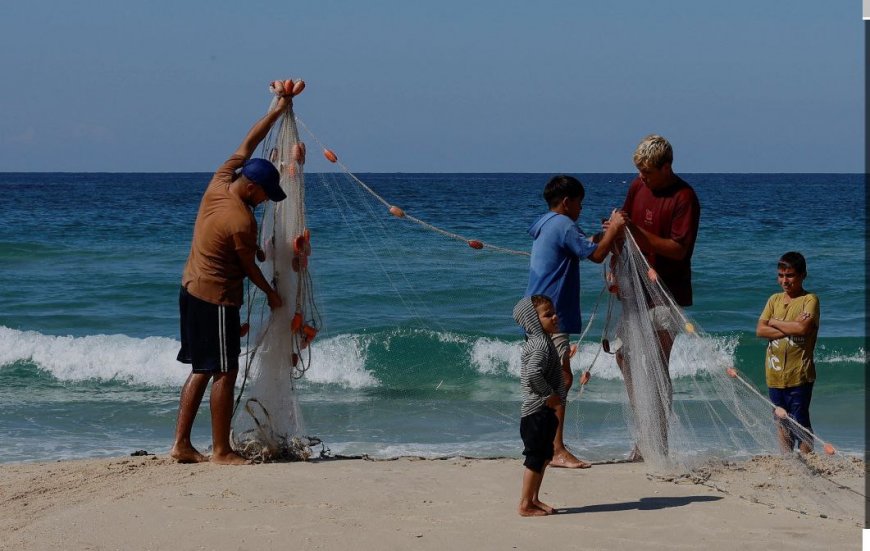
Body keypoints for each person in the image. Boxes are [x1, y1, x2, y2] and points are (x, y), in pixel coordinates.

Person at [170, 88, 293, 465]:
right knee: (225, 370)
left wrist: (276, 111)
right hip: (216, 298)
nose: (265, 202)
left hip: (190, 288)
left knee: (202, 368)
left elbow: (249, 141)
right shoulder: (240, 220)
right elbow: (247, 267)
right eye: (265, 195)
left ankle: (182, 445)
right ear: (252, 187)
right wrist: (272, 295)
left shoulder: (222, 179)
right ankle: (221, 451)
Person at [525, 175, 626, 468]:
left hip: (536, 312)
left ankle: (545, 445)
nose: (581, 208)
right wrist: (616, 228)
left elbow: (585, 244)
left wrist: (603, 234)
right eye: (580, 203)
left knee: (552, 380)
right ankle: (555, 449)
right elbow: (595, 255)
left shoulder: (546, 223)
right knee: (562, 379)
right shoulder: (564, 225)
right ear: (567, 202)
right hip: (549, 318)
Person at [616, 134, 700, 461]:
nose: (642, 177)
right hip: (633, 290)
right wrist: (614, 266)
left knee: (656, 366)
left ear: (666, 167)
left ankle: (658, 443)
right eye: (639, 171)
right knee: (624, 358)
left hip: (667, 293)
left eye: (648, 172)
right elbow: (624, 228)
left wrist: (639, 233)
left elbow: (679, 250)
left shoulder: (684, 197)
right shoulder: (638, 187)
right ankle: (643, 434)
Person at [755, 252, 819, 454]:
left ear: (802, 275)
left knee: (800, 421)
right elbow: (760, 330)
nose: (785, 281)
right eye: (781, 275)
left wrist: (773, 322)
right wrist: (788, 325)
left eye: (790, 275)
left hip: (799, 374)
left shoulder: (810, 300)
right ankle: (787, 459)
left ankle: (807, 458)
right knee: (781, 420)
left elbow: (802, 330)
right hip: (774, 374)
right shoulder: (773, 300)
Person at [513, 295, 565, 516]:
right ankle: (525, 503)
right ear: (534, 320)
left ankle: (533, 499)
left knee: (544, 456)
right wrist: (548, 395)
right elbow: (534, 373)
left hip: (543, 411)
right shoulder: (541, 344)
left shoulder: (541, 342)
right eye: (547, 314)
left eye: (554, 312)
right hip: (537, 412)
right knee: (535, 458)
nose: (554, 316)